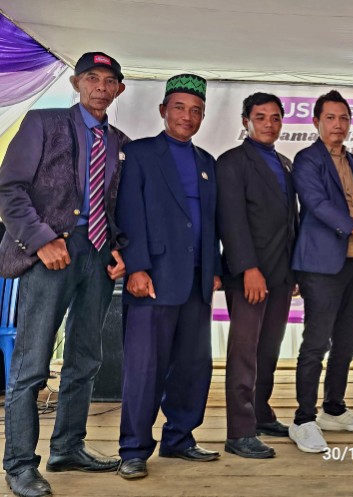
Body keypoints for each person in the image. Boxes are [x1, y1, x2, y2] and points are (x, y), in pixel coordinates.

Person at [0, 51, 128, 497]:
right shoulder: (43, 122)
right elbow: (9, 188)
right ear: (76, 83)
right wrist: (41, 240)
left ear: (119, 89)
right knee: (31, 364)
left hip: (97, 256)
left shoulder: (120, 141)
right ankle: (19, 464)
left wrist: (119, 248)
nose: (100, 87)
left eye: (108, 81)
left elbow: (115, 205)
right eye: (91, 78)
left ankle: (68, 447)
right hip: (50, 254)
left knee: (86, 359)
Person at [116, 74, 222, 480]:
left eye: (196, 110)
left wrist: (214, 269)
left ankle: (179, 438)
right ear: (163, 110)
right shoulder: (139, 153)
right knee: (144, 368)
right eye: (179, 107)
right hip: (153, 278)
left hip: (197, 281)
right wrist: (137, 266)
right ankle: (134, 449)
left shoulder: (206, 162)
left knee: (193, 365)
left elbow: (211, 223)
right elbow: (129, 212)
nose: (187, 116)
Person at [289, 90, 353, 453]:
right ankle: (303, 419)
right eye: (330, 118)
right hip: (321, 265)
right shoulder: (307, 159)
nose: (338, 125)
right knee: (317, 342)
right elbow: (317, 205)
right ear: (316, 121)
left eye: (344, 118)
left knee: (348, 340)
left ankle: (333, 409)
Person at [217, 92, 298, 458]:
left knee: (269, 349)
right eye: (261, 117)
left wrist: (294, 271)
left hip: (281, 273)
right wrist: (248, 268)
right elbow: (231, 220)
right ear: (245, 121)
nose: (269, 124)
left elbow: (291, 221)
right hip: (249, 274)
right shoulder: (232, 162)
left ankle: (262, 413)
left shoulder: (284, 163)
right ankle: (240, 431)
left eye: (275, 118)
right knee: (244, 353)